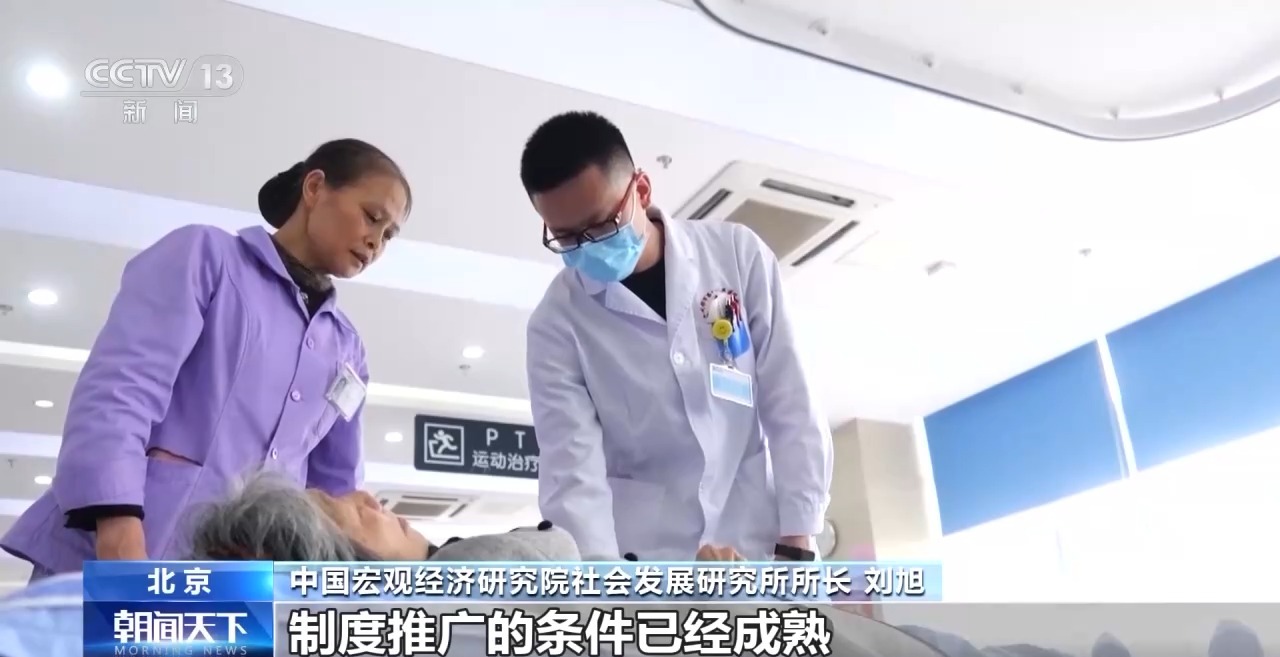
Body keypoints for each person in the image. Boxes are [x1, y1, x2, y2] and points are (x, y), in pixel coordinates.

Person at [0, 138, 411, 579]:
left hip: (240, 581)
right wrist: (119, 534)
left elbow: (336, 494)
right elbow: (123, 389)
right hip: (129, 546)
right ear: (314, 188)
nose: (376, 242)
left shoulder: (348, 350)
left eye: (389, 235)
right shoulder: (207, 257)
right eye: (372, 217)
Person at [519, 111, 834, 562]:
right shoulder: (556, 324)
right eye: (567, 239)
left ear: (642, 190)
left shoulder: (736, 254)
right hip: (649, 558)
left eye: (601, 226)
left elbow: (790, 397)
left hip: (759, 536)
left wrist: (798, 537)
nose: (588, 247)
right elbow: (572, 471)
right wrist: (600, 583)